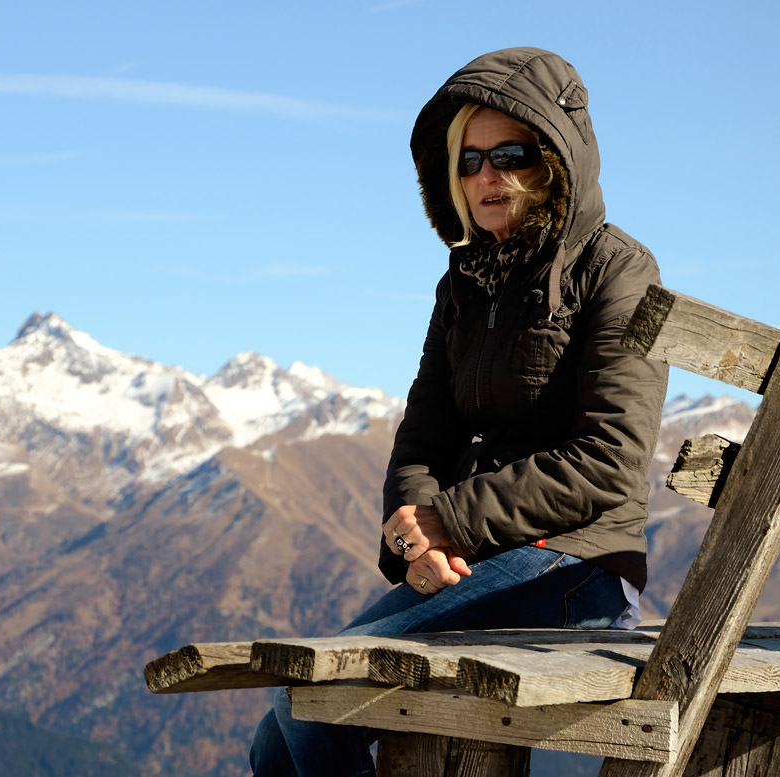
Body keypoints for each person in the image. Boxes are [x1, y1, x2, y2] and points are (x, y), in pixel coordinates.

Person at [249, 46, 668, 777]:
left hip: (574, 565)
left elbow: (611, 458)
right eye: (469, 160)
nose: (486, 176)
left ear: (558, 161)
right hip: (479, 557)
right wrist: (419, 536)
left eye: (511, 153)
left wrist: (454, 519)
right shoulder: (465, 281)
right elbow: (424, 432)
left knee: (315, 701)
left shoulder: (618, 270)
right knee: (276, 738)